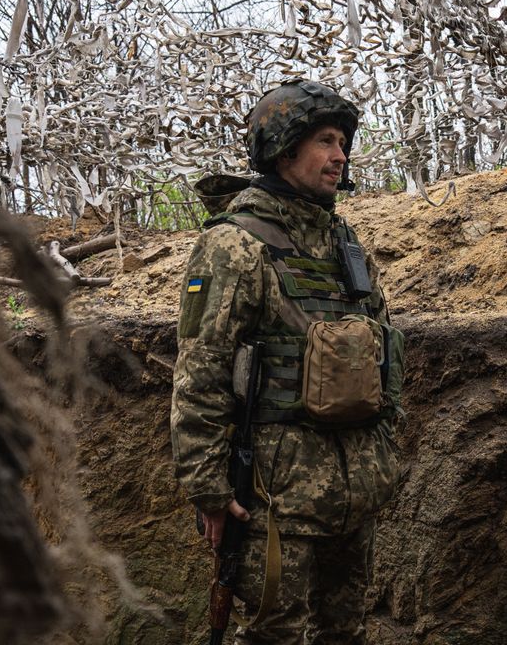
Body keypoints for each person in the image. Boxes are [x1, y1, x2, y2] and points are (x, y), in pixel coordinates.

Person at [171, 80, 404, 644]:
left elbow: (386, 354)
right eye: (326, 141)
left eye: (343, 142)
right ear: (283, 149)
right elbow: (200, 372)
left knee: (345, 631)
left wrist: (385, 455)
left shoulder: (345, 243)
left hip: (354, 493)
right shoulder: (234, 245)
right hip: (277, 500)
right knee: (277, 632)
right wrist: (208, 485)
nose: (340, 155)